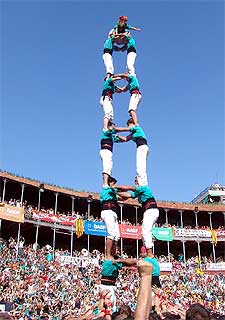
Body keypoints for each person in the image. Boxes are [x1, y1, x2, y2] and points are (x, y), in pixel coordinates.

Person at [117, 176, 159, 258]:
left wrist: (114, 187)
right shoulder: (139, 192)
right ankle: (148, 252)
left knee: (146, 231)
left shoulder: (144, 188)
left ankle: (150, 254)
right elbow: (127, 195)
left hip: (151, 210)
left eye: (136, 180)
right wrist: (116, 193)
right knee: (145, 232)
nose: (135, 181)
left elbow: (129, 188)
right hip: (149, 211)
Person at [117, 118, 149, 186]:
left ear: (132, 124)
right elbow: (125, 139)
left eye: (129, 125)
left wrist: (114, 129)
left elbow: (125, 129)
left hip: (142, 147)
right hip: (142, 147)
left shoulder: (136, 127)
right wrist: (117, 137)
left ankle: (142, 184)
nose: (128, 127)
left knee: (140, 167)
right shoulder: (133, 133)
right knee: (141, 166)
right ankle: (142, 183)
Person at [100, 121, 129, 187]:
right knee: (107, 166)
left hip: (108, 152)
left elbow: (122, 140)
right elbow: (115, 130)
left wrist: (129, 136)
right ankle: (105, 184)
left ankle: (108, 182)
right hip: (105, 151)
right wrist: (129, 129)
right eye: (113, 126)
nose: (114, 127)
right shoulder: (106, 132)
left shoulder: (111, 137)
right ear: (109, 126)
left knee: (109, 166)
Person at [100, 176, 120, 260]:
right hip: (108, 211)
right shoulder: (106, 189)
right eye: (113, 183)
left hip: (113, 213)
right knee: (111, 233)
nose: (114, 184)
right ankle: (107, 254)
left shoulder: (113, 192)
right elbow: (120, 194)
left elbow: (121, 197)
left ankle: (113, 252)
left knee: (117, 235)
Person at [99, 247, 123, 314]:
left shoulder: (118, 259)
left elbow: (120, 266)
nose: (118, 251)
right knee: (106, 304)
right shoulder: (108, 256)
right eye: (117, 249)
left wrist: (116, 262)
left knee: (110, 305)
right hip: (106, 284)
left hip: (111, 284)